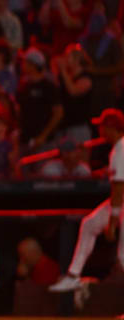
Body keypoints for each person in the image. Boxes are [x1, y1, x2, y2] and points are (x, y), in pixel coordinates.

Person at [49, 108, 124, 292]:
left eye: (103, 126)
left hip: (121, 203)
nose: (100, 130)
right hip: (121, 203)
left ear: (110, 127)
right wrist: (107, 171)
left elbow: (120, 186)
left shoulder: (121, 147)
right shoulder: (119, 148)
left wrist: (113, 220)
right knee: (89, 224)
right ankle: (74, 275)